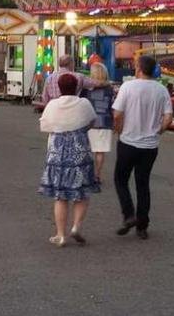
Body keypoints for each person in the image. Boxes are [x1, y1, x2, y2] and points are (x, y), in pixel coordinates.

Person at [112, 55, 173, 240]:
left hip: (128, 142)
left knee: (121, 179)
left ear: (138, 69)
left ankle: (129, 214)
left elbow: (117, 115)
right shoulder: (162, 90)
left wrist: (119, 131)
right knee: (143, 184)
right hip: (150, 145)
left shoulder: (128, 87)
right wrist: (158, 131)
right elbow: (168, 118)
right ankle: (142, 225)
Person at [38, 73, 100, 247]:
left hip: (58, 150)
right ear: (77, 86)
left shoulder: (53, 105)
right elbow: (92, 122)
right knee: (82, 192)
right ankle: (76, 226)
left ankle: (60, 235)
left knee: (61, 195)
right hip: (80, 150)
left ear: (59, 87)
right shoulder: (84, 103)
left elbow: (44, 125)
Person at [81, 63, 115, 184]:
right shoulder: (110, 89)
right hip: (105, 123)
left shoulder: (87, 89)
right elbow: (113, 107)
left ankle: (86, 175)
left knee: (86, 151)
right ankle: (97, 175)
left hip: (89, 122)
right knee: (100, 151)